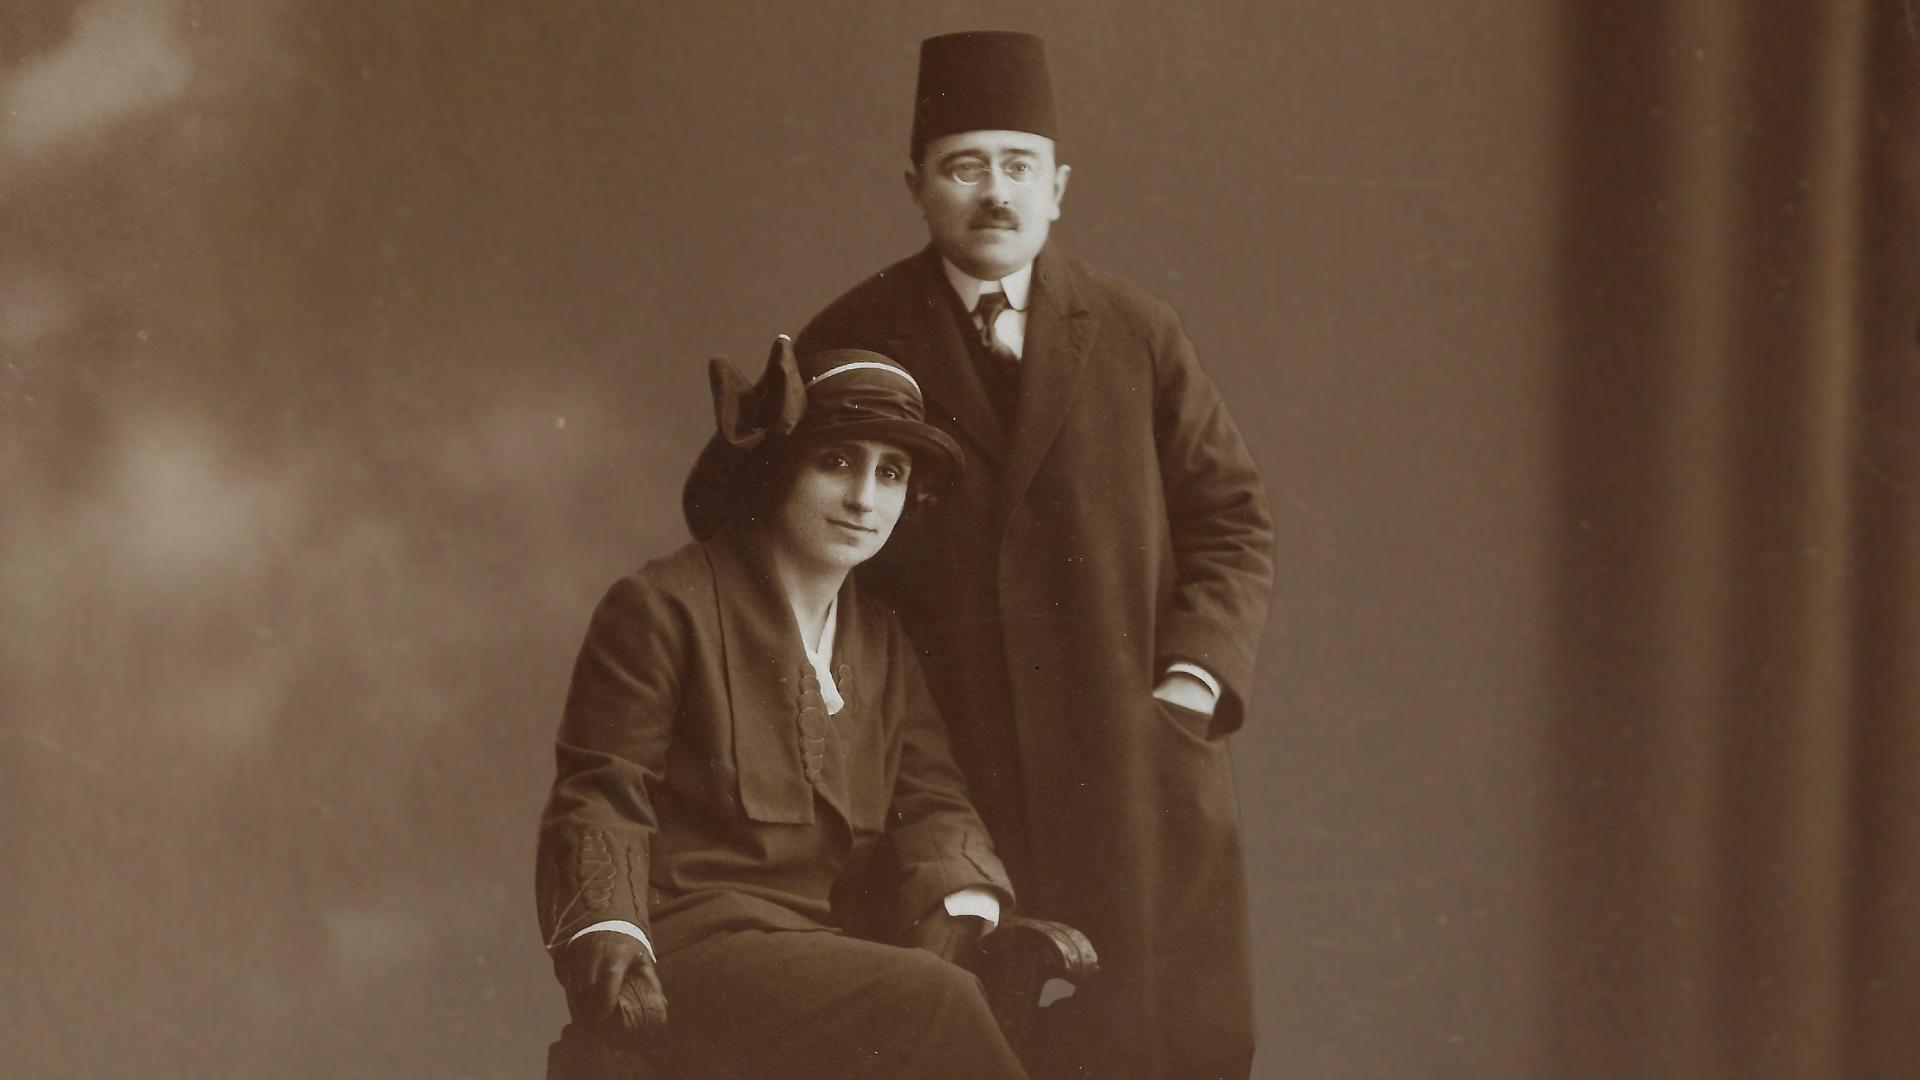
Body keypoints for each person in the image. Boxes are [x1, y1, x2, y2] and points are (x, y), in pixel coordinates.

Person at [685, 30, 1276, 1080]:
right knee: (967, 1038)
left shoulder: (1137, 332)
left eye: (1018, 166)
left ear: (1059, 188)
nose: (995, 193)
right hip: (945, 773)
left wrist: (1189, 686)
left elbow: (1231, 516)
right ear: (916, 186)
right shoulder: (859, 331)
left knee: (1157, 1043)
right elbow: (731, 513)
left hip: (1131, 765)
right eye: (964, 167)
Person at [538, 338, 1030, 1080]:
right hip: (688, 953)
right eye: (837, 462)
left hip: (825, 949)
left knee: (940, 986)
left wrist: (961, 897)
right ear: (778, 469)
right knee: (934, 999)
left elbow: (931, 796)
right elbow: (603, 790)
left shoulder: (881, 639)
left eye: (890, 473)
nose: (864, 499)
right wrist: (609, 932)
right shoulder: (662, 608)